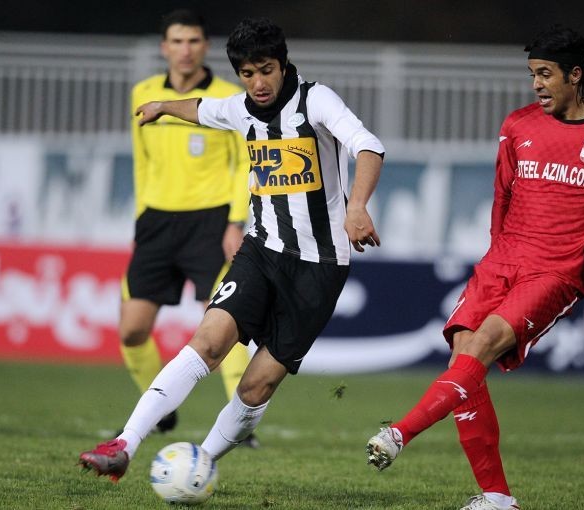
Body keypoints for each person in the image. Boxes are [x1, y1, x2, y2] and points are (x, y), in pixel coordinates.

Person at [79, 17, 384, 482]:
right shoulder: (241, 108)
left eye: (266, 70)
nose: (258, 83)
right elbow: (202, 108)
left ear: (283, 64)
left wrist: (357, 206)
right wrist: (161, 106)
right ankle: (125, 444)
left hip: (319, 267)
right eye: (247, 73)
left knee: (256, 386)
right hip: (261, 252)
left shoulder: (316, 100)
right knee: (208, 341)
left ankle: (200, 463)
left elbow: (368, 146)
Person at [365, 25, 584, 510]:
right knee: (463, 355)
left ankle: (399, 433)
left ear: (574, 75)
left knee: (480, 346)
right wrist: (496, 252)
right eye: (532, 74)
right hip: (502, 260)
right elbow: (502, 195)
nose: (536, 84)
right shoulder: (518, 125)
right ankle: (498, 498)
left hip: (556, 270)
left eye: (545, 74)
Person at [118, 9, 255, 440]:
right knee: (132, 330)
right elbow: (142, 160)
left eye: (193, 41)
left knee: (223, 323)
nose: (185, 50)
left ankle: (242, 424)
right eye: (177, 41)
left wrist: (235, 221)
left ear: (205, 46)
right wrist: (142, 215)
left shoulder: (227, 97)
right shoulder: (143, 93)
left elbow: (245, 164)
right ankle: (159, 412)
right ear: (164, 47)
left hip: (211, 222)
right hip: (157, 222)